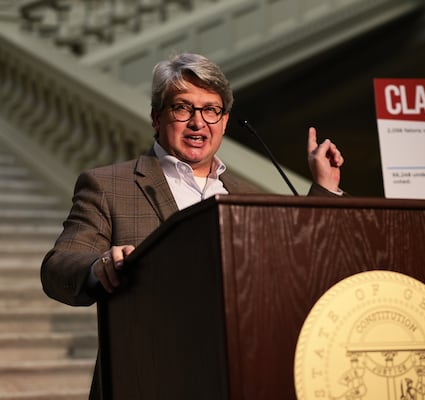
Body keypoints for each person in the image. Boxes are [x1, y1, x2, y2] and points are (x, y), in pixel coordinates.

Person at [40, 52, 344, 398]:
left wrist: (325, 188)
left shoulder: (249, 195)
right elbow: (57, 269)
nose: (198, 123)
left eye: (211, 110)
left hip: (240, 375)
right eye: (183, 108)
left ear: (225, 121)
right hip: (147, 379)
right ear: (157, 117)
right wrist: (100, 267)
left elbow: (301, 258)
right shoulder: (109, 186)